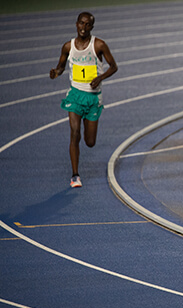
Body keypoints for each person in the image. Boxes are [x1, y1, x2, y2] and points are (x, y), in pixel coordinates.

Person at [50, 12, 118, 188]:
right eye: (81, 23)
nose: (83, 27)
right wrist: (55, 73)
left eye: (88, 25)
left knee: (90, 142)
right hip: (75, 95)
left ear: (92, 27)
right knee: (74, 132)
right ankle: (75, 176)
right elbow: (61, 67)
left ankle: (78, 166)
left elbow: (114, 66)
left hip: (93, 97)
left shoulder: (99, 45)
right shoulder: (68, 47)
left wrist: (100, 78)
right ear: (76, 24)